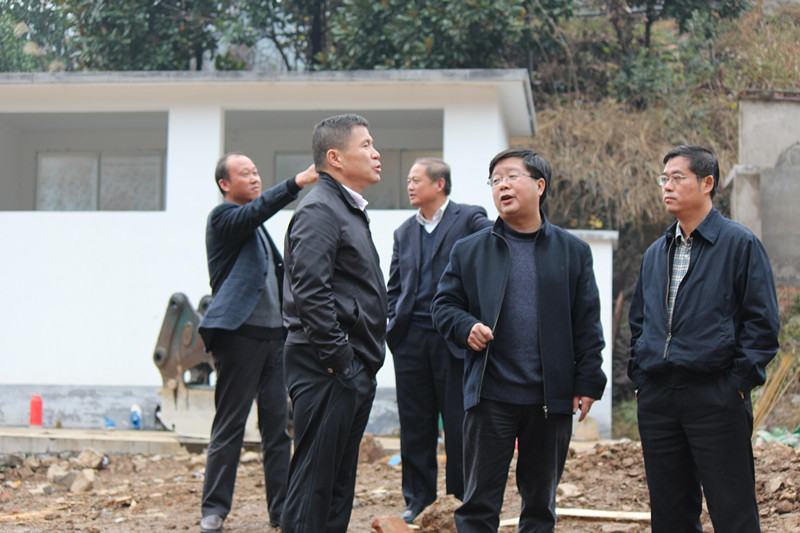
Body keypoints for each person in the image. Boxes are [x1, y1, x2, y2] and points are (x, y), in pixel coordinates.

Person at [432, 147, 606, 532]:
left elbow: (587, 325)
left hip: (549, 400)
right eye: (495, 180)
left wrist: (588, 381)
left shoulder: (573, 252)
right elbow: (443, 305)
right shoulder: (471, 250)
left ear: (540, 186)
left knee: (540, 505)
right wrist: (465, 326)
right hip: (490, 395)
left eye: (512, 176)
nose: (502, 186)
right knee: (478, 504)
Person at [628, 145, 780, 532]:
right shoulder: (655, 253)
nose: (667, 186)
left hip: (716, 396)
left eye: (677, 178)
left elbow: (762, 324)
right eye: (664, 179)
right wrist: (642, 379)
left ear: (707, 182)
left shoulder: (739, 244)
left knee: (733, 512)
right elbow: (639, 322)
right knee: (671, 514)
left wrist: (736, 385)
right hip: (659, 399)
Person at [196, 153, 318, 533]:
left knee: (277, 431)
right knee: (230, 426)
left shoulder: (257, 228)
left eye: (255, 171)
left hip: (274, 338)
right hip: (239, 337)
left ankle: (281, 511)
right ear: (224, 184)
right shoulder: (224, 218)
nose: (254, 177)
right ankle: (214, 510)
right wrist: (296, 183)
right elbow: (255, 212)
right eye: (244, 173)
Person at [281, 113, 388, 533]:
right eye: (366, 145)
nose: (376, 153)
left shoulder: (346, 208)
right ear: (335, 158)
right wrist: (340, 360)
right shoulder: (320, 210)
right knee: (314, 485)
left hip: (349, 366)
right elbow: (311, 291)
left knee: (337, 485)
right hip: (327, 367)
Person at [386, 157, 492, 523]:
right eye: (409, 180)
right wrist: (393, 324)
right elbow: (394, 286)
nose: (410, 186)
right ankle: (418, 499)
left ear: (439, 184)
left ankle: (459, 498)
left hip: (454, 340)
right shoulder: (403, 231)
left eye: (416, 180)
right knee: (415, 425)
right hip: (410, 341)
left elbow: (495, 249)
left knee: (460, 424)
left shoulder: (470, 219)